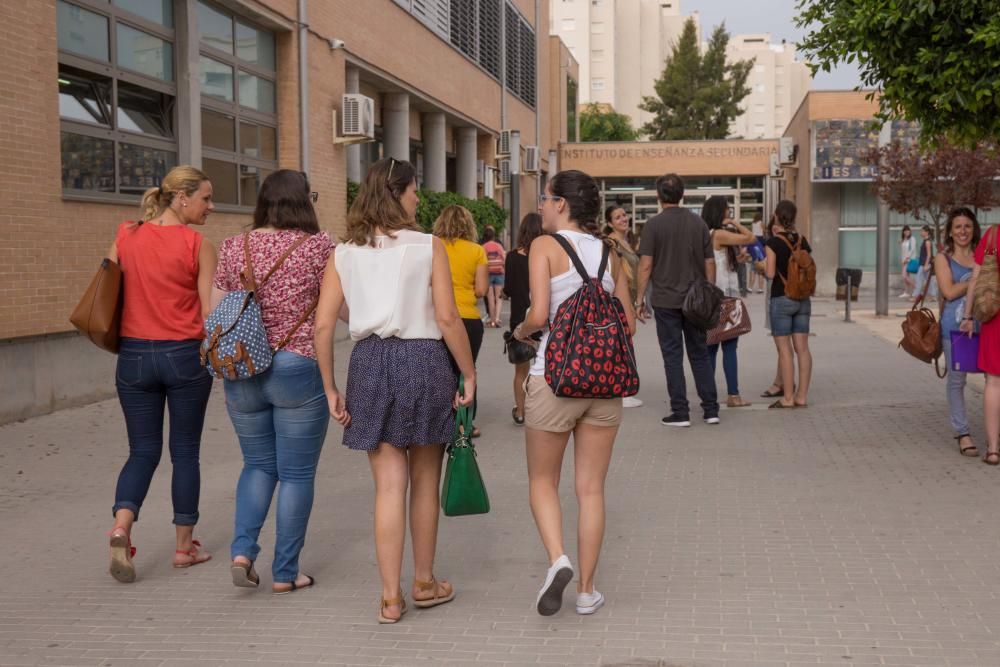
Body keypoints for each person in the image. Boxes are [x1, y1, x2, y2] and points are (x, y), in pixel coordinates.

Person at [313, 158, 476, 623]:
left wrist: (329, 387)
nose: (418, 199)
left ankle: (389, 597)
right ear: (398, 193)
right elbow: (447, 318)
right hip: (424, 359)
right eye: (414, 191)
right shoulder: (428, 246)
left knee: (388, 485)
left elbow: (324, 324)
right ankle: (424, 582)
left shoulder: (343, 253)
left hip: (368, 363)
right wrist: (468, 372)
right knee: (424, 480)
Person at [512, 169, 635, 616]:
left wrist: (521, 328)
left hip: (554, 379)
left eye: (545, 199)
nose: (541, 206)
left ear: (561, 203)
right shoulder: (610, 253)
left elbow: (540, 313)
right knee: (591, 489)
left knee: (542, 481)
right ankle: (587, 590)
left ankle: (557, 559)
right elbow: (629, 324)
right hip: (604, 384)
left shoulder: (544, 247)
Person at [212, 170, 332, 594]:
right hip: (297, 366)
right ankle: (286, 572)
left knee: (258, 464)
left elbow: (216, 312)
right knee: (296, 474)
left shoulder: (233, 246)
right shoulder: (319, 247)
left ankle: (242, 552)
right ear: (303, 200)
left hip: (242, 367)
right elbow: (340, 309)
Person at [106, 166, 217, 584]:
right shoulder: (197, 245)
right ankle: (184, 548)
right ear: (182, 198)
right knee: (185, 452)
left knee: (142, 451)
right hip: (184, 356)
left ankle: (121, 527)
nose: (211, 206)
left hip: (133, 356)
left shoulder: (125, 235)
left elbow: (109, 288)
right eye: (205, 198)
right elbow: (209, 312)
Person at [635, 173, 719, 427]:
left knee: (672, 356)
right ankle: (711, 409)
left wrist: (639, 299)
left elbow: (646, 265)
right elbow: (710, 262)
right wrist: (708, 292)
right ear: (682, 195)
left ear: (659, 196)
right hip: (695, 301)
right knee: (700, 354)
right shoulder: (699, 224)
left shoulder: (653, 226)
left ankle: (680, 412)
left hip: (665, 301)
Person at [433, 205, 487, 435]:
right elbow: (482, 290)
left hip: (438, 316)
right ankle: (465, 422)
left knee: (440, 371)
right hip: (469, 319)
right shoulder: (476, 251)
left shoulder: (432, 247)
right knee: (466, 371)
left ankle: (439, 421)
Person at [935, 209, 981, 457]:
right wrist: (976, 279)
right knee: (957, 380)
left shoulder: (983, 255)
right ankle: (962, 432)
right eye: (958, 227)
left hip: (986, 326)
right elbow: (949, 292)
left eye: (967, 226)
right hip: (955, 329)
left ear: (974, 229)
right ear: (950, 232)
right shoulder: (943, 259)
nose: (963, 231)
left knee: (993, 379)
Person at [702, 196, 755, 408]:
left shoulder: (707, 234)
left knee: (711, 348)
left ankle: (709, 396)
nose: (729, 213)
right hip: (725, 297)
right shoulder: (720, 233)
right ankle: (733, 395)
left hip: (714, 297)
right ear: (719, 212)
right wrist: (734, 223)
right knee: (730, 347)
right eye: (727, 210)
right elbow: (750, 237)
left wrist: (739, 260)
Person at [765, 200, 812, 409]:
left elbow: (770, 273)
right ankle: (802, 396)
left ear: (776, 216)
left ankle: (788, 398)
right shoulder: (802, 240)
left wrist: (761, 265)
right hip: (802, 298)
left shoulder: (774, 243)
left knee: (785, 351)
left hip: (781, 298)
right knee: (803, 349)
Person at [960, 219, 1000, 465]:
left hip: (994, 317)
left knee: (994, 383)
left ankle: (993, 449)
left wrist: (967, 316)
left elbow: (975, 280)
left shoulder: (993, 235)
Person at [504, 212, 544, 425]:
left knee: (521, 370)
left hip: (519, 320)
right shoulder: (545, 256)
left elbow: (508, 289)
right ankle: (543, 410)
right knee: (545, 366)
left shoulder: (511, 257)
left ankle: (520, 412)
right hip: (544, 317)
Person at [604, 204, 643, 408]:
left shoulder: (626, 241)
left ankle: (621, 386)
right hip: (619, 297)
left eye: (624, 215)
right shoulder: (612, 242)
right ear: (609, 223)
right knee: (622, 341)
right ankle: (620, 389)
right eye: (617, 217)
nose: (623, 219)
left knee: (625, 340)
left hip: (630, 296)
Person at [482, 226, 506, 327]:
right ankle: (497, 318)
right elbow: (504, 258)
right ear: (493, 236)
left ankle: (491, 320)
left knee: (490, 298)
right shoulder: (498, 246)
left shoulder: (483, 247)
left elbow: (481, 261)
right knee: (499, 297)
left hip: (488, 274)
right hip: (499, 273)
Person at [914, 225, 936, 302]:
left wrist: (926, 265)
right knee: (930, 281)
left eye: (922, 231)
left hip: (924, 264)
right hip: (924, 264)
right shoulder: (926, 241)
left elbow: (929, 254)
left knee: (918, 279)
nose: (921, 232)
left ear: (926, 232)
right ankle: (933, 296)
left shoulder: (927, 242)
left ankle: (916, 296)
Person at [748, 212, 765, 294]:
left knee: (753, 265)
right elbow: (764, 231)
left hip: (753, 241)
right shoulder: (761, 223)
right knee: (760, 266)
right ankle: (760, 288)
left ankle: (750, 287)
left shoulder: (753, 223)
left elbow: (752, 232)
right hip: (760, 241)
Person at [900, 225, 917, 298]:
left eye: (908, 231)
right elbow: (903, 251)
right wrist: (902, 259)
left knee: (904, 276)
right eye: (905, 231)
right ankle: (907, 292)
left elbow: (912, 249)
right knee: (906, 277)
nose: (907, 232)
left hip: (909, 259)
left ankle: (916, 288)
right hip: (904, 260)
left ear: (910, 232)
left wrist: (906, 258)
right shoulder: (903, 239)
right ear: (903, 232)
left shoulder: (912, 239)